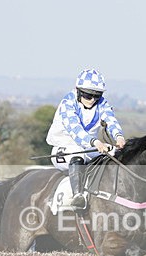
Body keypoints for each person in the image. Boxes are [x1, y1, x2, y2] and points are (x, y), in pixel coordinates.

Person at [45, 68, 126, 209]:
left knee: (116, 154)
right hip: (63, 148)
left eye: (97, 96)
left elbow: (111, 121)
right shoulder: (68, 103)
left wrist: (119, 137)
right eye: (88, 96)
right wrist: (95, 142)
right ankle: (78, 196)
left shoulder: (102, 104)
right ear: (78, 91)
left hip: (89, 147)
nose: (93, 100)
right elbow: (75, 130)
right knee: (78, 152)